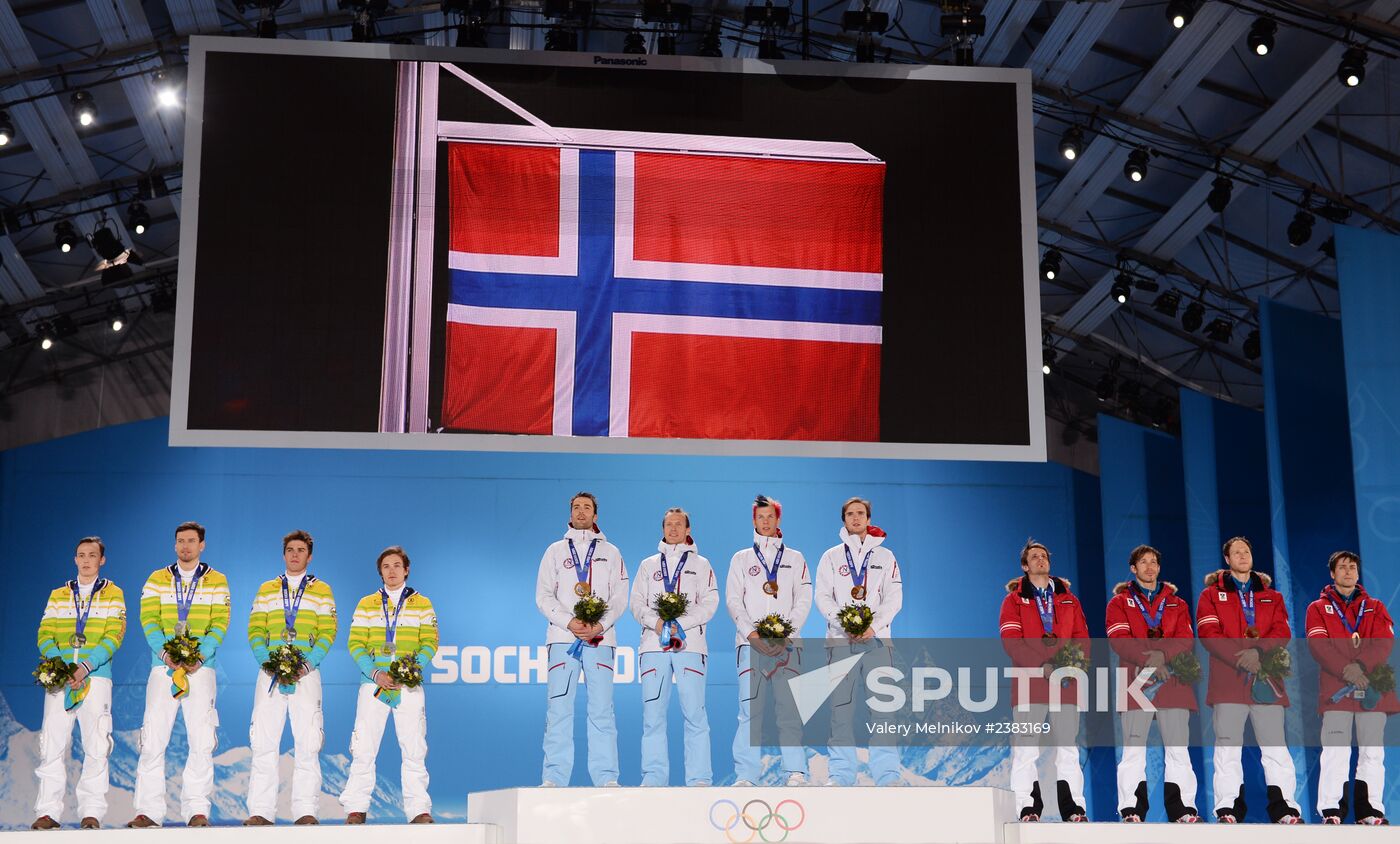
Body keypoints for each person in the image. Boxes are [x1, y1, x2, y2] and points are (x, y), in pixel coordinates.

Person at [128, 521, 232, 829]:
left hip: (201, 669)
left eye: (191, 541)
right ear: (174, 546)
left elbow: (220, 623)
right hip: (164, 668)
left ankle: (197, 810)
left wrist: (199, 655)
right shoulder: (157, 579)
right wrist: (166, 654)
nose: (185, 546)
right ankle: (148, 811)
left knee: (201, 740)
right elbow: (148, 620)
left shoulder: (217, 581)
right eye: (180, 541)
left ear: (202, 545)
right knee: (153, 740)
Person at [1195, 536, 1301, 823]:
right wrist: (1241, 657)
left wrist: (1256, 651)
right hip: (1229, 681)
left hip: (1267, 681)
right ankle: (1228, 808)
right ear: (1226, 560)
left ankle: (1285, 808)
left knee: (1275, 746)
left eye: (1246, 551)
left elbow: (1282, 632)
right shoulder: (1210, 596)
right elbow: (1209, 634)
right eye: (1236, 552)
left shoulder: (1272, 596)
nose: (1242, 555)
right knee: (1227, 745)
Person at [32, 537, 126, 830]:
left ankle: (91, 812)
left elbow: (114, 636)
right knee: (52, 745)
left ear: (102, 560)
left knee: (96, 744)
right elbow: (44, 635)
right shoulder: (59, 595)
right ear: (75, 560)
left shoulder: (114, 594)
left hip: (95, 678)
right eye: (81, 555)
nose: (86, 560)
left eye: (92, 555)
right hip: (61, 679)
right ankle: (48, 812)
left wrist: (85, 666)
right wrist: (64, 665)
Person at [244, 530, 338, 826]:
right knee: (263, 742)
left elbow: (327, 632)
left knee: (308, 742)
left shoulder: (322, 590)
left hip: (305, 675)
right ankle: (261, 811)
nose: (295, 554)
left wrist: (307, 665)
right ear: (283, 555)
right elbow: (255, 630)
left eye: (300, 550)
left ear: (309, 556)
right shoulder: (267, 589)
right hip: (270, 674)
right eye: (290, 550)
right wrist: (267, 662)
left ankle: (305, 811)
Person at [340, 546, 438, 824]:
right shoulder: (366, 603)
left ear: (406, 570)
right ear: (380, 571)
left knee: (414, 748)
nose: (392, 571)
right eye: (386, 566)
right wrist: (375, 673)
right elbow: (355, 643)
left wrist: (408, 670)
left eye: (397, 565)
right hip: (373, 685)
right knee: (364, 747)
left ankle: (418, 809)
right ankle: (356, 808)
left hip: (408, 685)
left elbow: (429, 642)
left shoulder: (423, 604)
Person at [535, 492, 627, 787]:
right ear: (570, 513)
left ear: (595, 515)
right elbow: (543, 595)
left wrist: (599, 624)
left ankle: (606, 777)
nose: (581, 512)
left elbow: (620, 597)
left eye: (587, 507)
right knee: (559, 707)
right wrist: (569, 621)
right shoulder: (554, 551)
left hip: (600, 640)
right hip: (563, 639)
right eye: (576, 507)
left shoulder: (612, 552)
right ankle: (554, 777)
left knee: (602, 708)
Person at [1105, 544, 1201, 822]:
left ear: (1159, 568)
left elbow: (1185, 639)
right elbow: (1119, 640)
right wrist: (1152, 660)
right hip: (1137, 681)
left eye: (1154, 562)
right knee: (1134, 750)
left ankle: (1182, 809)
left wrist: (1163, 656)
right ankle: (1131, 809)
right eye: (1143, 562)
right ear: (1133, 569)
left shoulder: (1177, 603)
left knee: (1178, 748)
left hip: (1172, 681)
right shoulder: (1119, 603)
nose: (1149, 567)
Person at [814, 496, 904, 787]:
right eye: (850, 514)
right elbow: (822, 597)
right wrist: (845, 624)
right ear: (844, 520)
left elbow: (894, 599)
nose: (855, 518)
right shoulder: (830, 557)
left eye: (860, 513)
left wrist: (872, 627)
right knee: (841, 709)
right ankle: (840, 775)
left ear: (868, 519)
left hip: (877, 642)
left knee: (883, 708)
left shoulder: (886, 557)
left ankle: (887, 774)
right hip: (840, 641)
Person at [998, 538, 1089, 822]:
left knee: (1068, 745)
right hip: (1029, 682)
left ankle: (1073, 808)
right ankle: (1027, 807)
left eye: (1044, 556)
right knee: (1026, 745)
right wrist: (1041, 665)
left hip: (1064, 682)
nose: (1041, 560)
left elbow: (1083, 639)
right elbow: (1011, 641)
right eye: (1034, 557)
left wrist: (1070, 666)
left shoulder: (1069, 599)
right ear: (1025, 566)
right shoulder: (1013, 600)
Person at [630, 507, 720, 786]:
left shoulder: (702, 564)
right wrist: (658, 624)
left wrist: (682, 623)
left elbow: (710, 602)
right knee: (653, 715)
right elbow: (636, 603)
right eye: (668, 525)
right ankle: (654, 777)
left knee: (695, 713)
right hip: (653, 647)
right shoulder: (648, 565)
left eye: (678, 524)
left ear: (688, 529)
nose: (673, 529)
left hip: (690, 646)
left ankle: (699, 778)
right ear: (663, 529)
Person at [727, 494, 813, 786]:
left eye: (770, 517)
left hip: (787, 646)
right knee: (749, 711)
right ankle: (746, 775)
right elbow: (733, 601)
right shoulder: (741, 559)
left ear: (778, 520)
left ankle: (795, 772)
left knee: (788, 709)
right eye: (760, 517)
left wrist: (786, 632)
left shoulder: (795, 558)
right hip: (749, 645)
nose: (765, 522)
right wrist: (751, 634)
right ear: (754, 521)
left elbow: (803, 600)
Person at [1305, 550, 1396, 825]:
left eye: (1352, 567)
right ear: (1332, 574)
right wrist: (1348, 670)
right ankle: (1332, 810)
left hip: (1371, 689)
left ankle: (1370, 810)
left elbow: (1384, 643)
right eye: (1342, 567)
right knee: (1336, 749)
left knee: (1372, 751)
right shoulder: (1317, 608)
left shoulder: (1376, 606)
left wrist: (1360, 668)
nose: (1348, 571)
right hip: (1337, 690)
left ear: (1358, 573)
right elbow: (1318, 645)